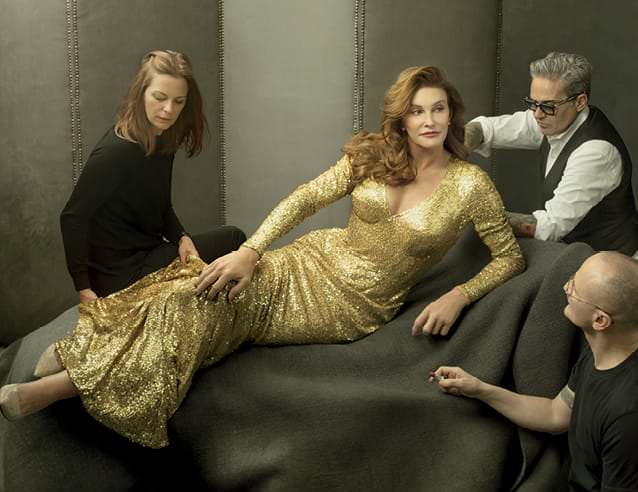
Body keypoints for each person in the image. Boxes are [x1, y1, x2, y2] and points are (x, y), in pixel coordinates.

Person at [0, 66, 525, 449]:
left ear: (452, 113)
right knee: (192, 281)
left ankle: (62, 385)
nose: (429, 120)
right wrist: (250, 251)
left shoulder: (470, 186)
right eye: (417, 110)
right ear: (401, 119)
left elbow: (508, 258)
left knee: (212, 306)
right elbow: (305, 198)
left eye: (438, 109)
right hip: (311, 258)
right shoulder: (375, 157)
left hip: (349, 303)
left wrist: (459, 295)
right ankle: (82, 352)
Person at [431, 251, 638, 492]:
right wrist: (479, 389)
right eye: (572, 277)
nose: (565, 287)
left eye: (575, 289)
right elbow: (555, 414)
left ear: (600, 321)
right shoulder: (602, 352)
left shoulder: (627, 417)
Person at [59, 49, 246, 305]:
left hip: (150, 254)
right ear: (141, 94)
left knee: (233, 250)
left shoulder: (163, 139)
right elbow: (72, 218)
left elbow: (162, 204)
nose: (168, 109)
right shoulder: (115, 152)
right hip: (121, 275)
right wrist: (83, 287)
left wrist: (182, 237)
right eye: (159, 97)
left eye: (178, 101)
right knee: (234, 239)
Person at [465, 52, 638, 255]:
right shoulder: (554, 118)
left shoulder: (596, 153)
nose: (537, 114)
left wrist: (473, 216)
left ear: (580, 102)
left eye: (548, 106)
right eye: (532, 103)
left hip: (611, 263)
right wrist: (452, 146)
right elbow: (487, 130)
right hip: (572, 252)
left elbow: (549, 227)